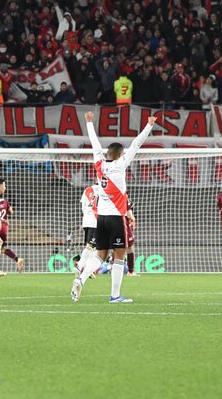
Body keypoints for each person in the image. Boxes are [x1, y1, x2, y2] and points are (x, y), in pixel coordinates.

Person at [71, 111, 156, 303]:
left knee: (100, 255)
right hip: (117, 218)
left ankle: (81, 278)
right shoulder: (120, 165)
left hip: (100, 218)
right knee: (119, 256)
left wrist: (90, 123)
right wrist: (149, 126)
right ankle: (115, 295)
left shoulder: (99, 164)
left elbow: (94, 143)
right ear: (119, 154)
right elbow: (136, 144)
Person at [0, 196, 25, 272]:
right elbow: (11, 212)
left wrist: (1, 220)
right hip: (4, 229)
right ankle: (17, 259)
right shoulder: (5, 201)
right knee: (2, 248)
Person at [74, 183, 98, 277]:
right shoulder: (104, 190)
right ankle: (79, 266)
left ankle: (88, 270)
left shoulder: (88, 190)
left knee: (93, 247)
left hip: (87, 220)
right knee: (91, 246)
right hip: (96, 221)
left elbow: (83, 207)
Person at [125, 197, 138, 276]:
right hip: (124, 229)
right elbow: (131, 218)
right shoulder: (124, 199)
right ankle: (130, 271)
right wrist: (132, 219)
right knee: (130, 249)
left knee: (114, 249)